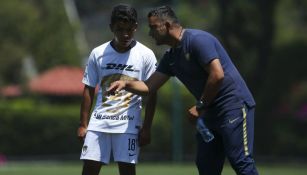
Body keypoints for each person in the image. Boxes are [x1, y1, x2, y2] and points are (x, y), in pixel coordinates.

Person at [108, 5, 259, 175]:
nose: (150, 33)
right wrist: (125, 84)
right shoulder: (171, 57)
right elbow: (149, 87)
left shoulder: (197, 40)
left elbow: (217, 75)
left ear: (166, 25)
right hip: (208, 113)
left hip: (233, 107)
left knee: (240, 162)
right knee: (206, 165)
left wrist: (200, 106)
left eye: (153, 27)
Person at [77, 4, 157, 175]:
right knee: (89, 169)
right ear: (111, 27)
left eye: (129, 29)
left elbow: (152, 92)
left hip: (128, 125)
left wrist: (147, 128)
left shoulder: (146, 55)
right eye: (120, 29)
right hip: (98, 123)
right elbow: (89, 89)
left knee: (127, 170)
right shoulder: (98, 53)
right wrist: (83, 124)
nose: (125, 34)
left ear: (136, 27)